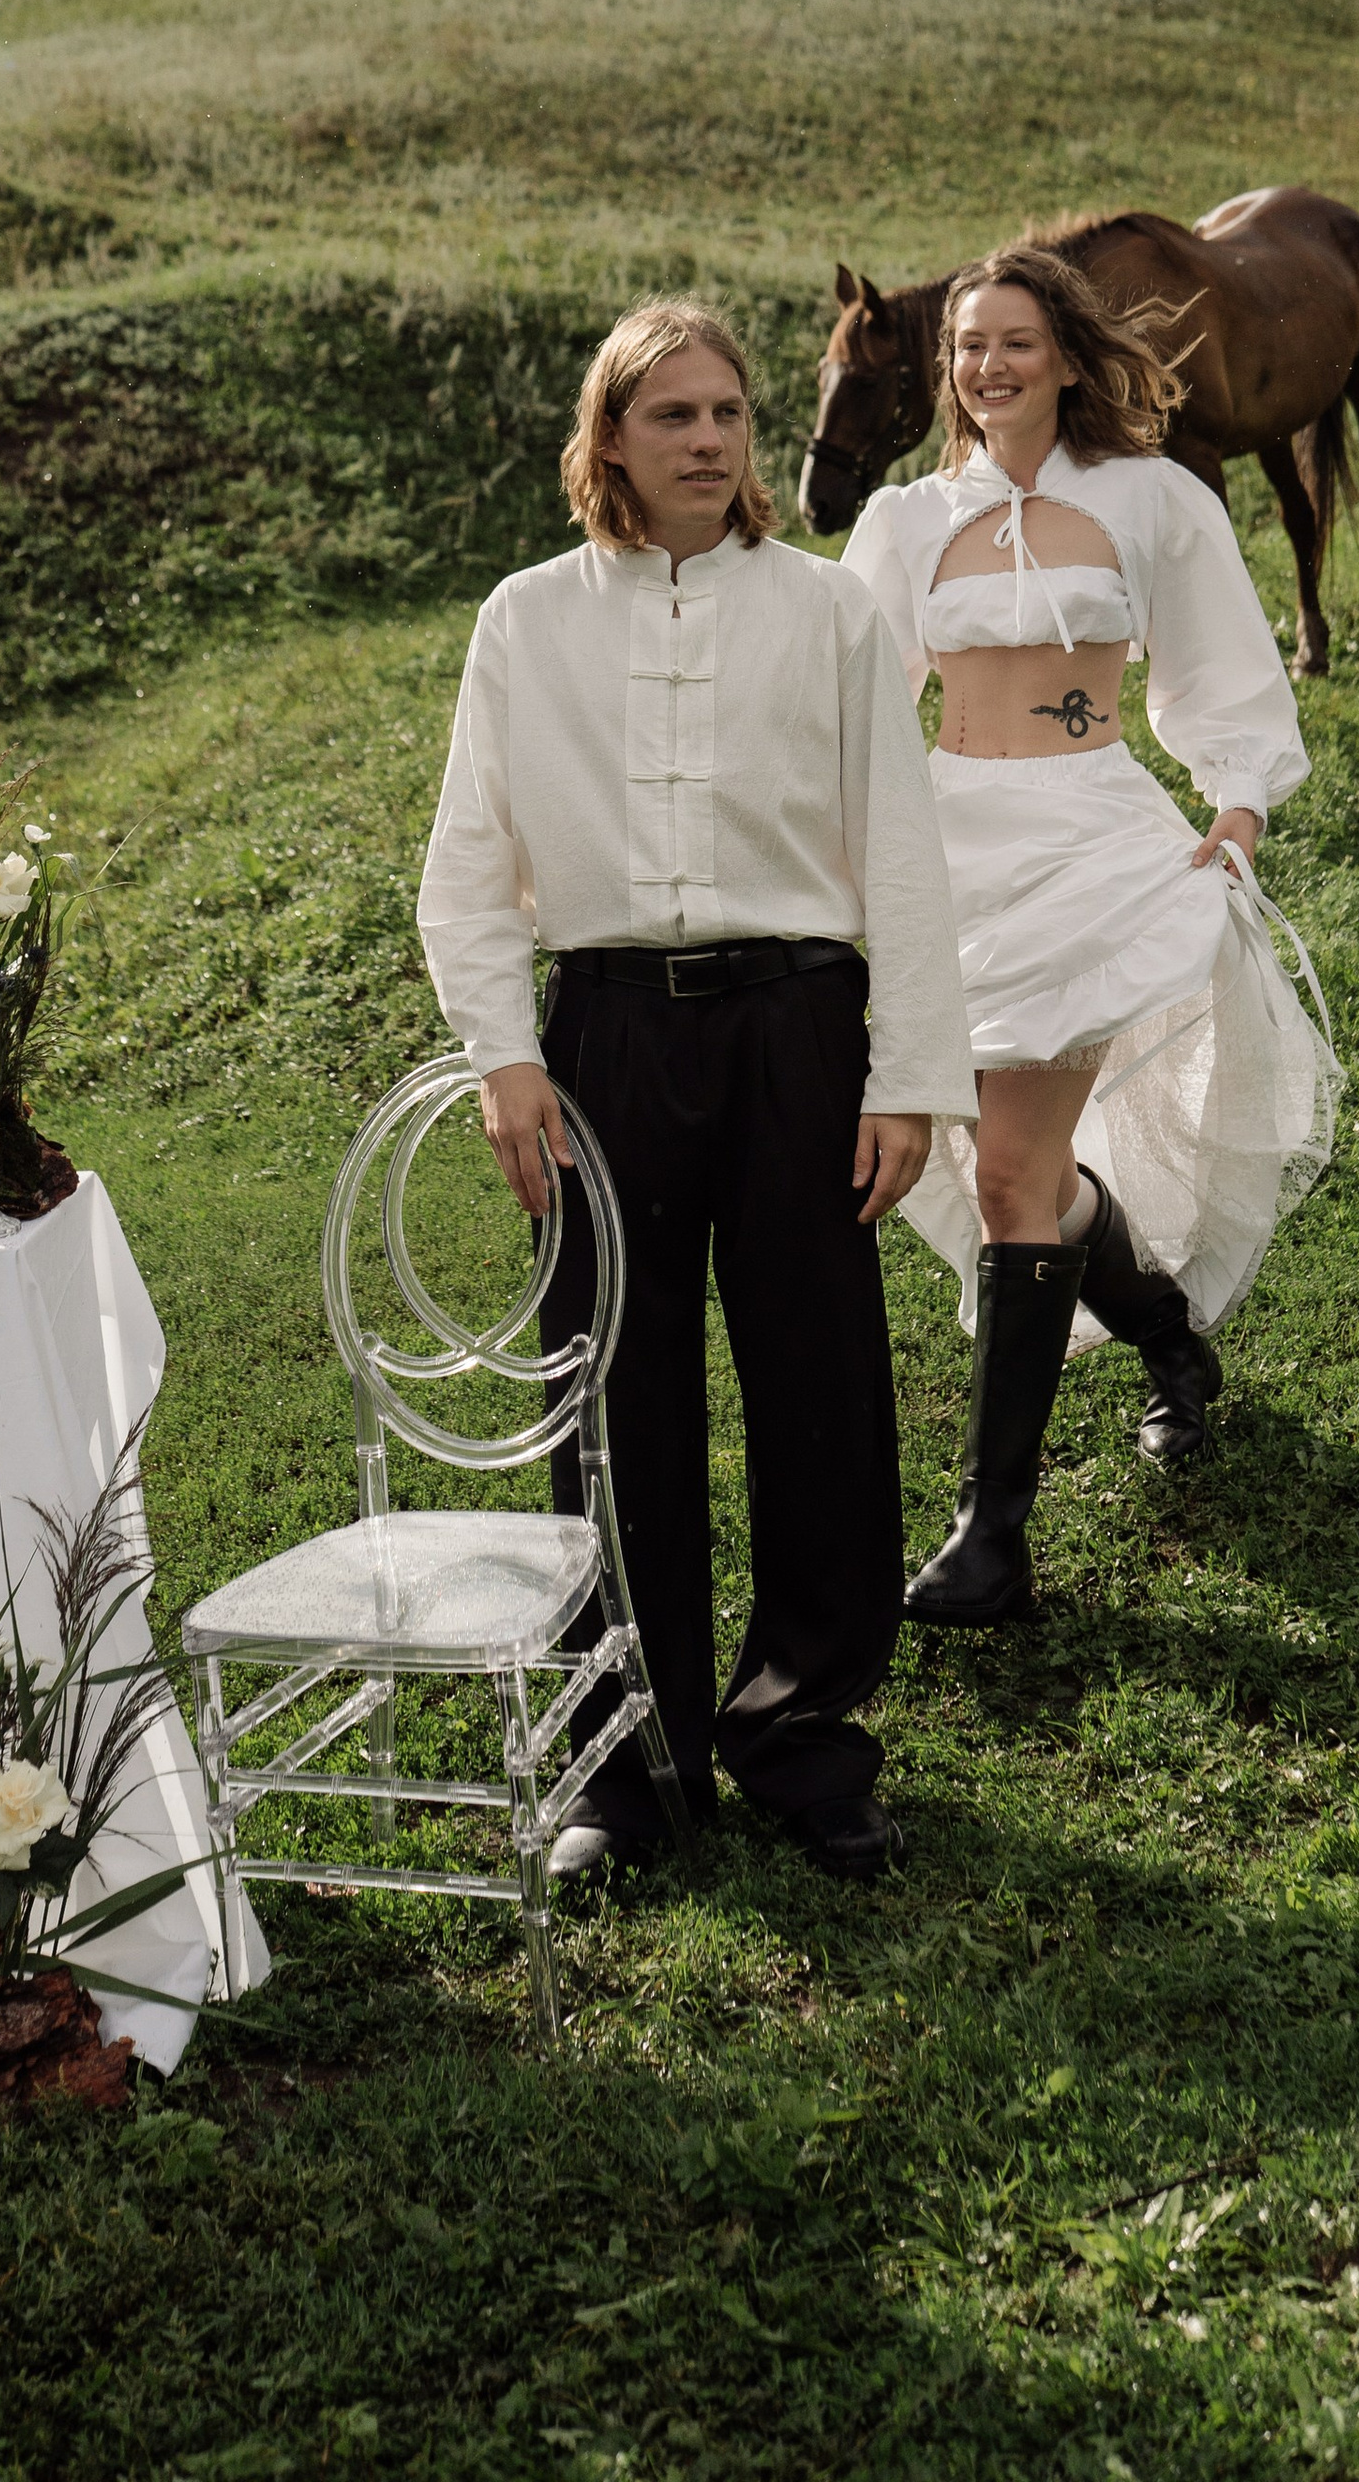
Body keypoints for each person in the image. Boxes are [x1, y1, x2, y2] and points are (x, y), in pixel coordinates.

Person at [417, 297, 976, 1885]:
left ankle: (804, 1738)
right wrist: (503, 1060)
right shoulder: (525, 619)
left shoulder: (829, 615)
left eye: (729, 413)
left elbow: (906, 860)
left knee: (820, 1387)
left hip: (797, 1029)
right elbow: (465, 869)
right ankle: (631, 1766)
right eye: (674, 416)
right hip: (602, 1040)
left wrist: (911, 1071)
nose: (712, 439)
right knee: (606, 1399)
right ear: (609, 439)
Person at [839, 241, 1337, 1627]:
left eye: (1012, 341)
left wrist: (1236, 806)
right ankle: (1170, 1339)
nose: (985, 365)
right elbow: (859, 709)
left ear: (1065, 354)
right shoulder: (899, 523)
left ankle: (989, 1536)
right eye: (966, 347)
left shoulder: (1154, 499)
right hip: (946, 853)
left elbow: (1223, 669)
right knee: (1018, 1173)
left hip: (1094, 844)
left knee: (1010, 1174)